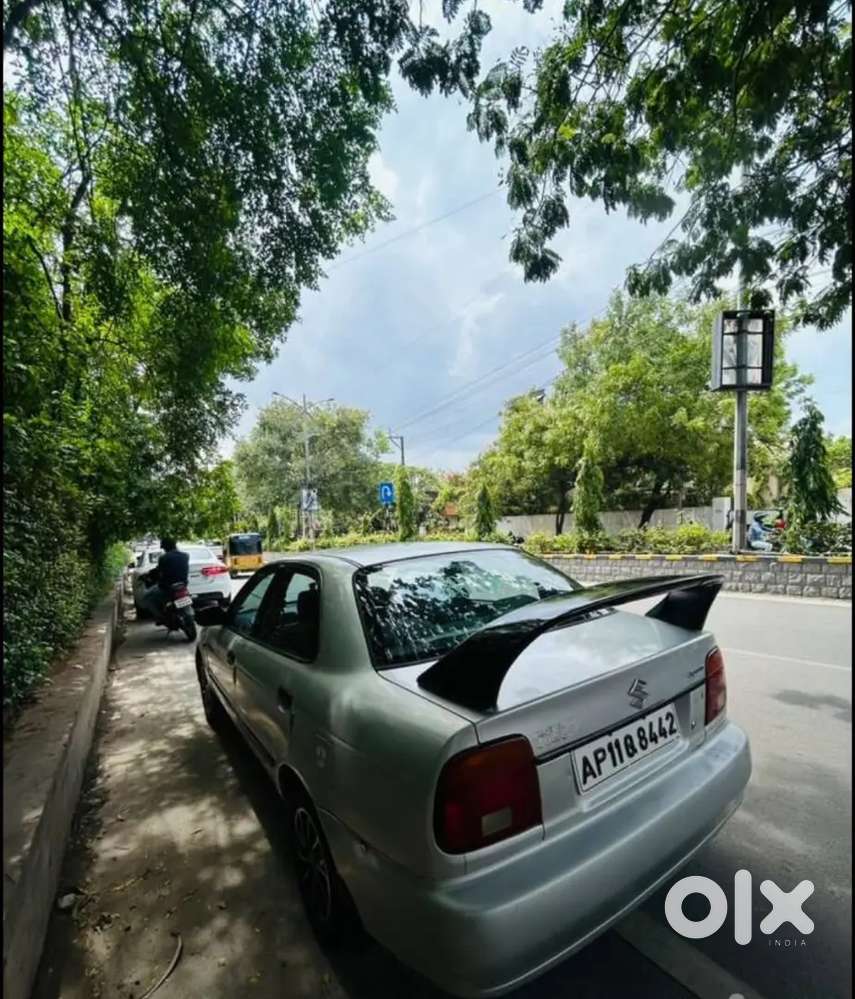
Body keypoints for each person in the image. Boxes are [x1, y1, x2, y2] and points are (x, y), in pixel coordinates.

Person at [141, 537, 190, 622]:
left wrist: (148, 575)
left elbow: (158, 571)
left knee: (147, 597)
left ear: (165, 547)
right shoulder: (185, 556)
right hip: (183, 585)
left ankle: (161, 617)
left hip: (167, 587)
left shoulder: (164, 558)